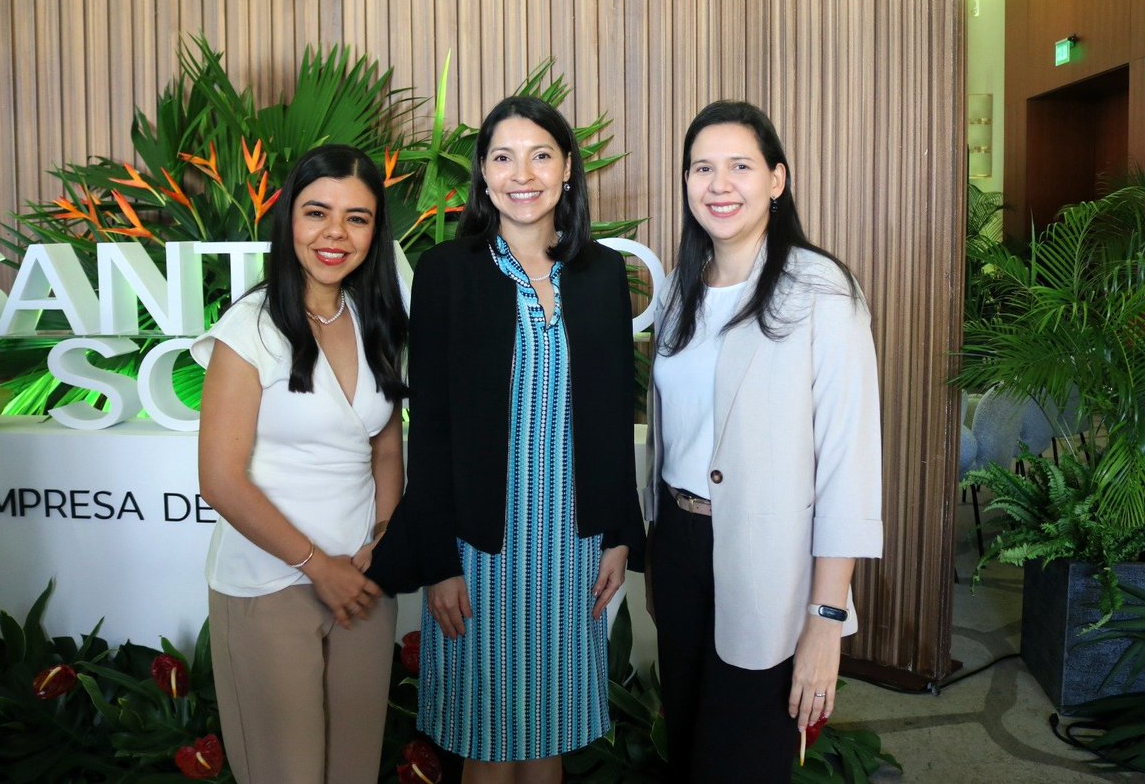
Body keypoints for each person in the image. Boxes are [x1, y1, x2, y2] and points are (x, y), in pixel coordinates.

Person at [367, 96, 645, 784]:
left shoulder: (602, 273)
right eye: (503, 156)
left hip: (570, 544)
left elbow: (613, 412)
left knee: (548, 733)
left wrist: (618, 532)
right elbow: (425, 429)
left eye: (541, 154)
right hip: (477, 547)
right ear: (484, 178)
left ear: (569, 170)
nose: (523, 172)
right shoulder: (446, 272)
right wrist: (438, 561)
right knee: (489, 739)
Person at [645, 101, 883, 783]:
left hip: (772, 561)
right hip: (683, 550)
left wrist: (826, 618)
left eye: (740, 166)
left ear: (777, 180)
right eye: (702, 168)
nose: (719, 184)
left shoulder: (822, 292)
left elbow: (848, 465)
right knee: (688, 750)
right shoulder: (679, 292)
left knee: (743, 761)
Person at [192, 144, 408, 784]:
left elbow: (386, 444)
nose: (335, 234)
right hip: (270, 583)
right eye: (318, 212)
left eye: (357, 218)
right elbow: (220, 480)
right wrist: (319, 569)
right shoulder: (250, 327)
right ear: (289, 220)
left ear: (375, 231)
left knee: (352, 771)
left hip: (364, 581)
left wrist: (385, 537)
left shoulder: (376, 320)